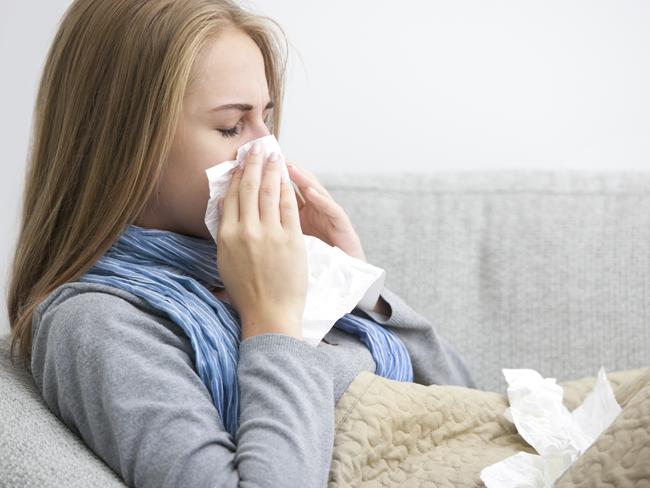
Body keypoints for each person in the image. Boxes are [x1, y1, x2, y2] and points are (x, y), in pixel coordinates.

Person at [6, 0, 476, 486]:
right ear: (125, 144)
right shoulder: (100, 324)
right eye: (232, 125)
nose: (267, 150)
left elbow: (471, 409)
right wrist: (271, 320)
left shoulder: (258, 265)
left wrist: (356, 286)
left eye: (266, 120)